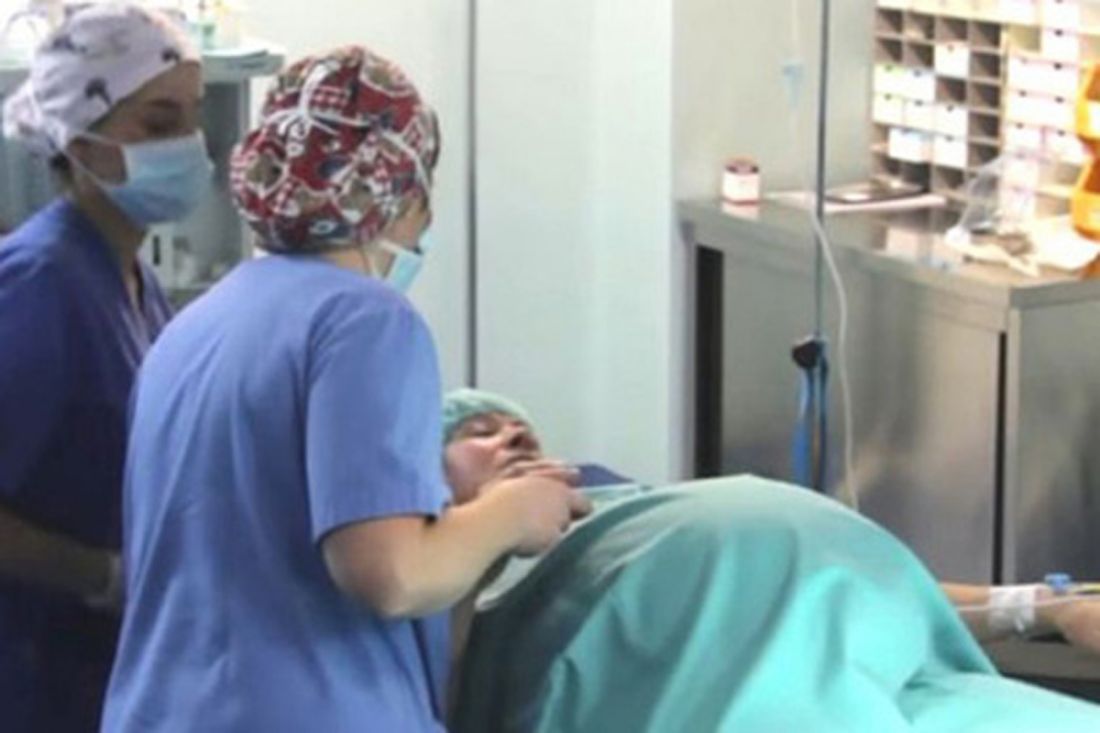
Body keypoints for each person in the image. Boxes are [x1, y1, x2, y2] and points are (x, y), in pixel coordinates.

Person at [101, 47, 590, 732]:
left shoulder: (194, 326)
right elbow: (390, 573)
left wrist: (460, 530)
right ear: (399, 193)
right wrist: (514, 511)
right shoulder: (366, 319)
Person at [440, 388, 1100, 731]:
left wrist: (1046, 606)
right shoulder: (449, 579)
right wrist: (492, 533)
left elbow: (874, 584)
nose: (513, 433)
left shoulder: (623, 504)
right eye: (478, 432)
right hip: (721, 692)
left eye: (518, 427)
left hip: (874, 668)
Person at [0, 5, 211, 730]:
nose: (189, 143)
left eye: (194, 116)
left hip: (100, 670)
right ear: (80, 140)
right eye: (158, 122)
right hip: (31, 671)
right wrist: (101, 574)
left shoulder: (132, 275)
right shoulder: (39, 283)